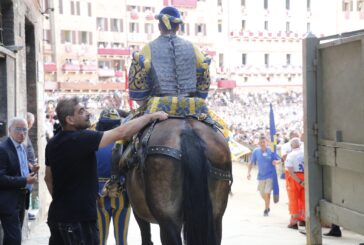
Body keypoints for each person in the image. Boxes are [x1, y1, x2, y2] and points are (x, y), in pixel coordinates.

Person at [44, 96, 167, 245]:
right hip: (79, 220)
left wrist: (64, 201)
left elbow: (47, 178)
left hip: (58, 215)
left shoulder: (52, 143)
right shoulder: (82, 139)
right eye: (81, 111)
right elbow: (121, 132)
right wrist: (151, 116)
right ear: (70, 119)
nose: (87, 113)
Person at [128, 6, 211, 105]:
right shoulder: (193, 47)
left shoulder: (147, 48)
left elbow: (138, 93)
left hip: (158, 105)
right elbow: (204, 79)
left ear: (159, 27)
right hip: (190, 105)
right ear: (177, 27)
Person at [95, 109, 131, 245]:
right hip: (121, 192)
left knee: (100, 239)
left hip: (98, 192)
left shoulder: (92, 142)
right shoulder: (125, 142)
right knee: (121, 239)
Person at [0, 117, 38, 245]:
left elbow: (19, 168)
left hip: (21, 197)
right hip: (8, 201)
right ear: (10, 130)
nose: (22, 133)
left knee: (13, 237)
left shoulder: (22, 147)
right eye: (18, 129)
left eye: (25, 130)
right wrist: (24, 180)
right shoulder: (3, 149)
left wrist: (32, 169)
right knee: (14, 238)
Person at [247, 135, 280, 216]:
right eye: (261, 142)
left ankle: (266, 210)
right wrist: (248, 172)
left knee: (267, 192)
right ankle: (267, 204)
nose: (262, 144)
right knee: (262, 194)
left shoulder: (271, 150)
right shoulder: (256, 151)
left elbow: (279, 159)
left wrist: (276, 162)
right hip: (261, 176)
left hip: (270, 176)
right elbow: (251, 162)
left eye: (264, 142)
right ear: (259, 143)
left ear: (267, 142)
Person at [285, 137, 305, 229]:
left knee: (294, 200)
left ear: (291, 145)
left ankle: (293, 222)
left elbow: (290, 171)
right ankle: (304, 219)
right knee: (304, 200)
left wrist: (299, 181)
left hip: (295, 179)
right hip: (305, 177)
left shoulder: (291, 155)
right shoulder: (305, 153)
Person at [24, 112, 39, 220]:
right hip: (27, 169)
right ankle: (25, 213)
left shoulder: (26, 134)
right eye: (32, 123)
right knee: (26, 191)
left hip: (30, 167)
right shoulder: (23, 134)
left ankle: (26, 211)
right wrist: (30, 165)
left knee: (28, 191)